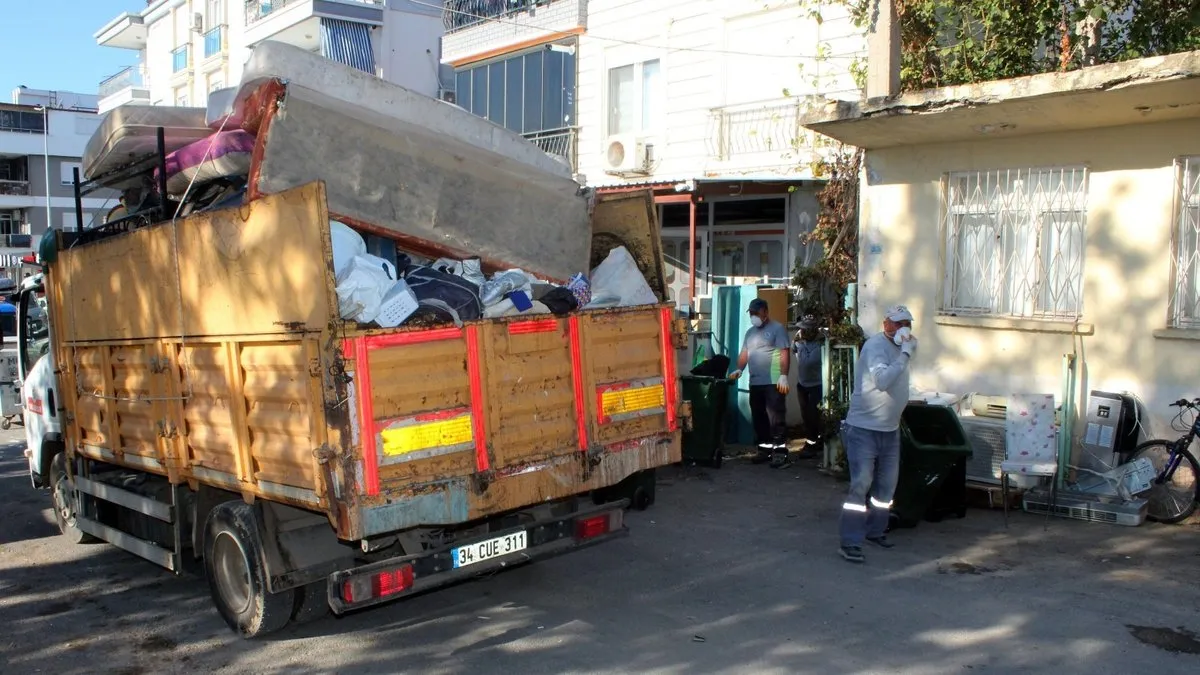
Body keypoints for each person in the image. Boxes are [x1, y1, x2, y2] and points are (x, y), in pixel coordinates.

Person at [837, 304, 917, 563]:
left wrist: (905, 352)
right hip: (863, 429)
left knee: (887, 486)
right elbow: (882, 381)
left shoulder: (902, 347)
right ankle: (850, 541)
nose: (903, 328)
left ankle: (875, 530)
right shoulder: (875, 347)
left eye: (907, 324)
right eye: (897, 323)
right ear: (885, 325)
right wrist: (905, 355)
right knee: (861, 484)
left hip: (889, 430)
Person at [730, 298, 791, 468]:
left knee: (776, 417)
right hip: (755, 382)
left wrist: (784, 375)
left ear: (765, 312)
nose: (753, 316)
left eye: (756, 313)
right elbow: (744, 353)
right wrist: (739, 368)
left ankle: (780, 453)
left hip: (773, 381)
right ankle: (765, 449)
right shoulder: (750, 333)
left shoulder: (777, 329)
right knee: (759, 416)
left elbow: (784, 352)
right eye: (751, 313)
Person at [792, 315, 824, 454]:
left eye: (809, 329)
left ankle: (814, 443)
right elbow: (793, 351)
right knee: (805, 414)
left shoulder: (822, 342)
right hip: (802, 384)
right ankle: (812, 441)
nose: (805, 332)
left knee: (814, 414)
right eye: (804, 329)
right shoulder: (798, 341)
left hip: (817, 384)